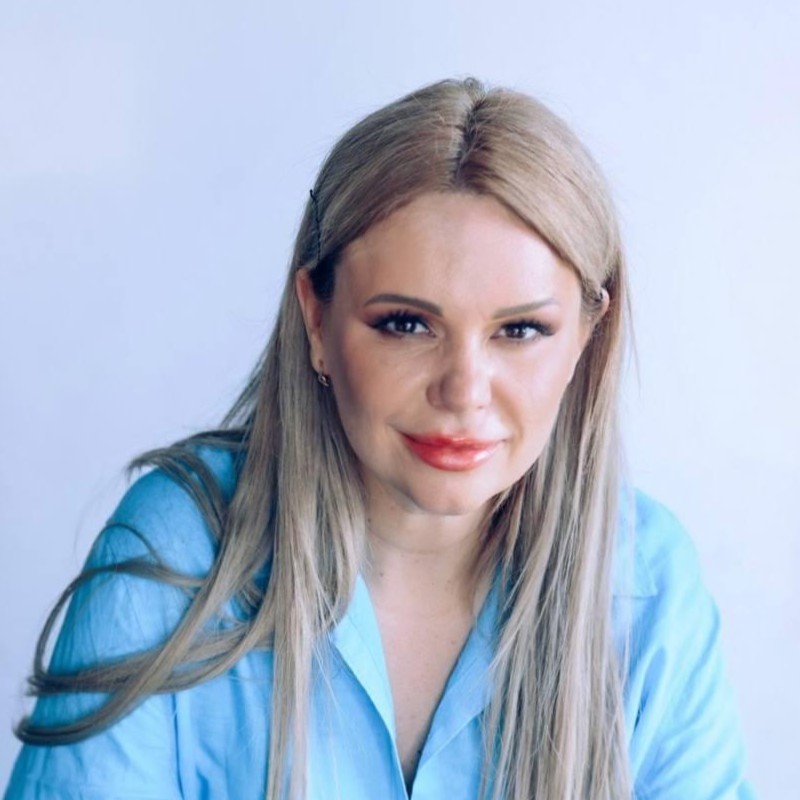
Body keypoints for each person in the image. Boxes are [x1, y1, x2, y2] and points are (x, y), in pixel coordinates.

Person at [5, 78, 753, 800]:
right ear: (316, 320)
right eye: (406, 324)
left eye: (521, 330)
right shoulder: (180, 551)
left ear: (587, 337)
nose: (464, 389)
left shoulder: (646, 584)